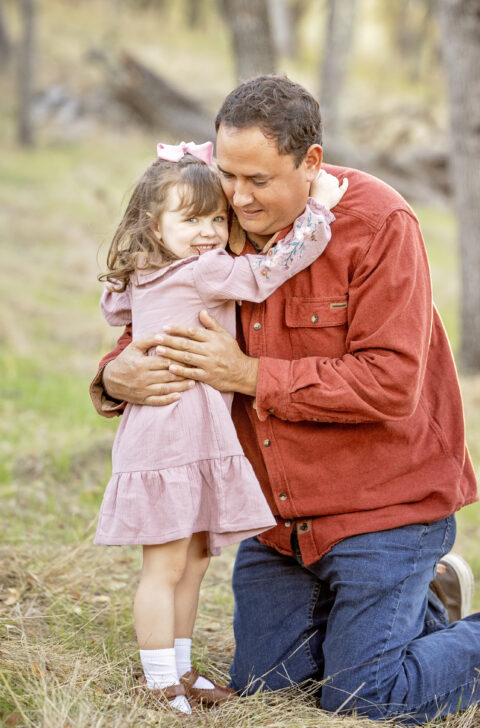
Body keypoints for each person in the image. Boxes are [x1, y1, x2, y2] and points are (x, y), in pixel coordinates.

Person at [90, 76, 480, 726]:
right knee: (267, 691)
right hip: (278, 519)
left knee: (362, 700)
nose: (237, 198)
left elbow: (388, 382)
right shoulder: (214, 221)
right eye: (228, 174)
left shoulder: (378, 225)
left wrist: (248, 375)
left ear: (311, 164)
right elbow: (153, 314)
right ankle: (420, 609)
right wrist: (113, 378)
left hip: (381, 508)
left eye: (258, 180)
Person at [94, 138, 347, 716]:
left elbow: (117, 312)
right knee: (165, 566)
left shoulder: (144, 272)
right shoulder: (204, 271)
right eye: (190, 219)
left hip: (186, 433)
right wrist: (320, 211)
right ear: (153, 225)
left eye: (215, 218)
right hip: (175, 434)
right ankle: (159, 681)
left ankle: (181, 670)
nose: (209, 231)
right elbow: (268, 272)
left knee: (193, 560)